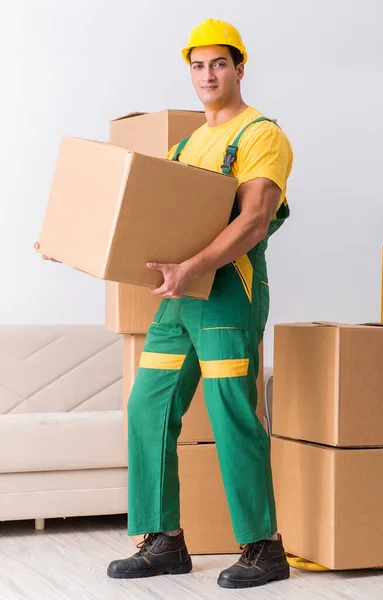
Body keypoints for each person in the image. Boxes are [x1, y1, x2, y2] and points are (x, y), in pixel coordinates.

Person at [36, 17, 293, 590]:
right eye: (197, 65)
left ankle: (263, 547)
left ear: (239, 67)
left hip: (228, 292)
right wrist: (72, 240)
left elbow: (253, 219)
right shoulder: (187, 144)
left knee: (231, 414)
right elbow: (148, 217)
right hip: (178, 297)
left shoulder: (261, 135)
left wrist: (197, 267)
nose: (207, 74)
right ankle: (163, 541)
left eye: (218, 63)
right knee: (148, 407)